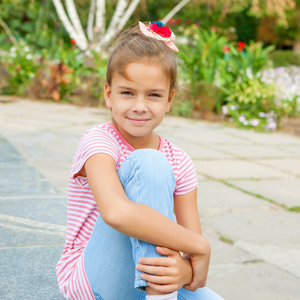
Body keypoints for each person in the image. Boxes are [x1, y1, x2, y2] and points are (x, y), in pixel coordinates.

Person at [56, 21, 223, 300]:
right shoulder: (99, 141)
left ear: (169, 100)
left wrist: (184, 270)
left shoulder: (180, 160)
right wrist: (200, 246)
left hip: (147, 271)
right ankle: (160, 296)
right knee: (149, 163)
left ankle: (159, 292)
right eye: (127, 92)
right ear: (109, 94)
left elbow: (191, 260)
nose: (140, 106)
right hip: (95, 277)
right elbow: (116, 213)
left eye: (154, 95)